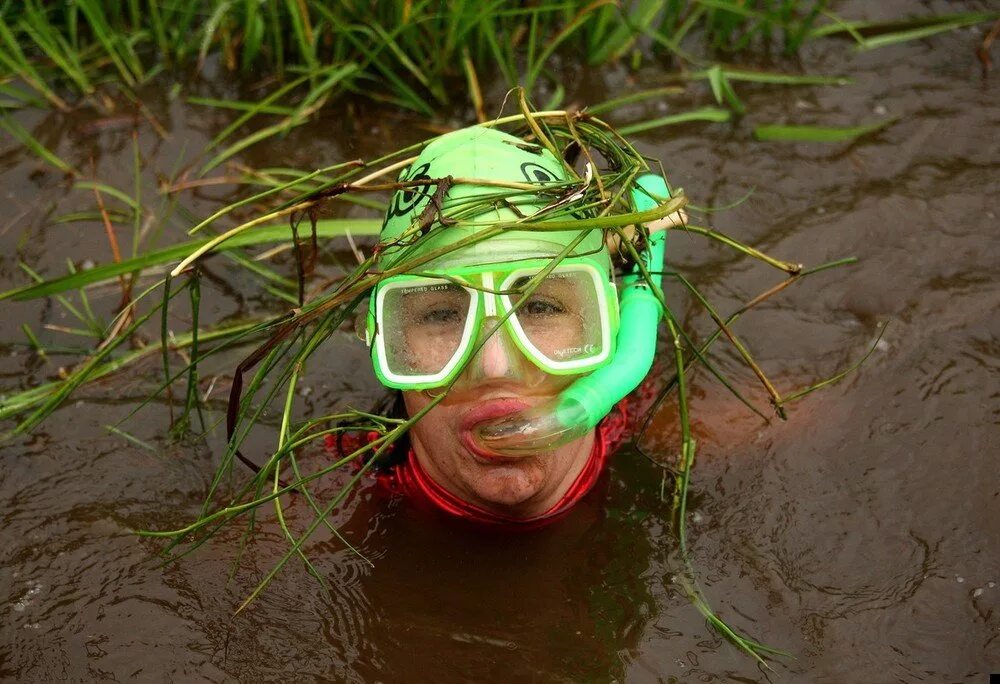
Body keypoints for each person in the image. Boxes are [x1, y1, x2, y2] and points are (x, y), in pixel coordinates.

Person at [342, 125, 674, 525]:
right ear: (383, 338)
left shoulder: (653, 424)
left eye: (540, 307)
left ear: (609, 320)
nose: (495, 368)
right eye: (442, 315)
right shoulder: (341, 481)